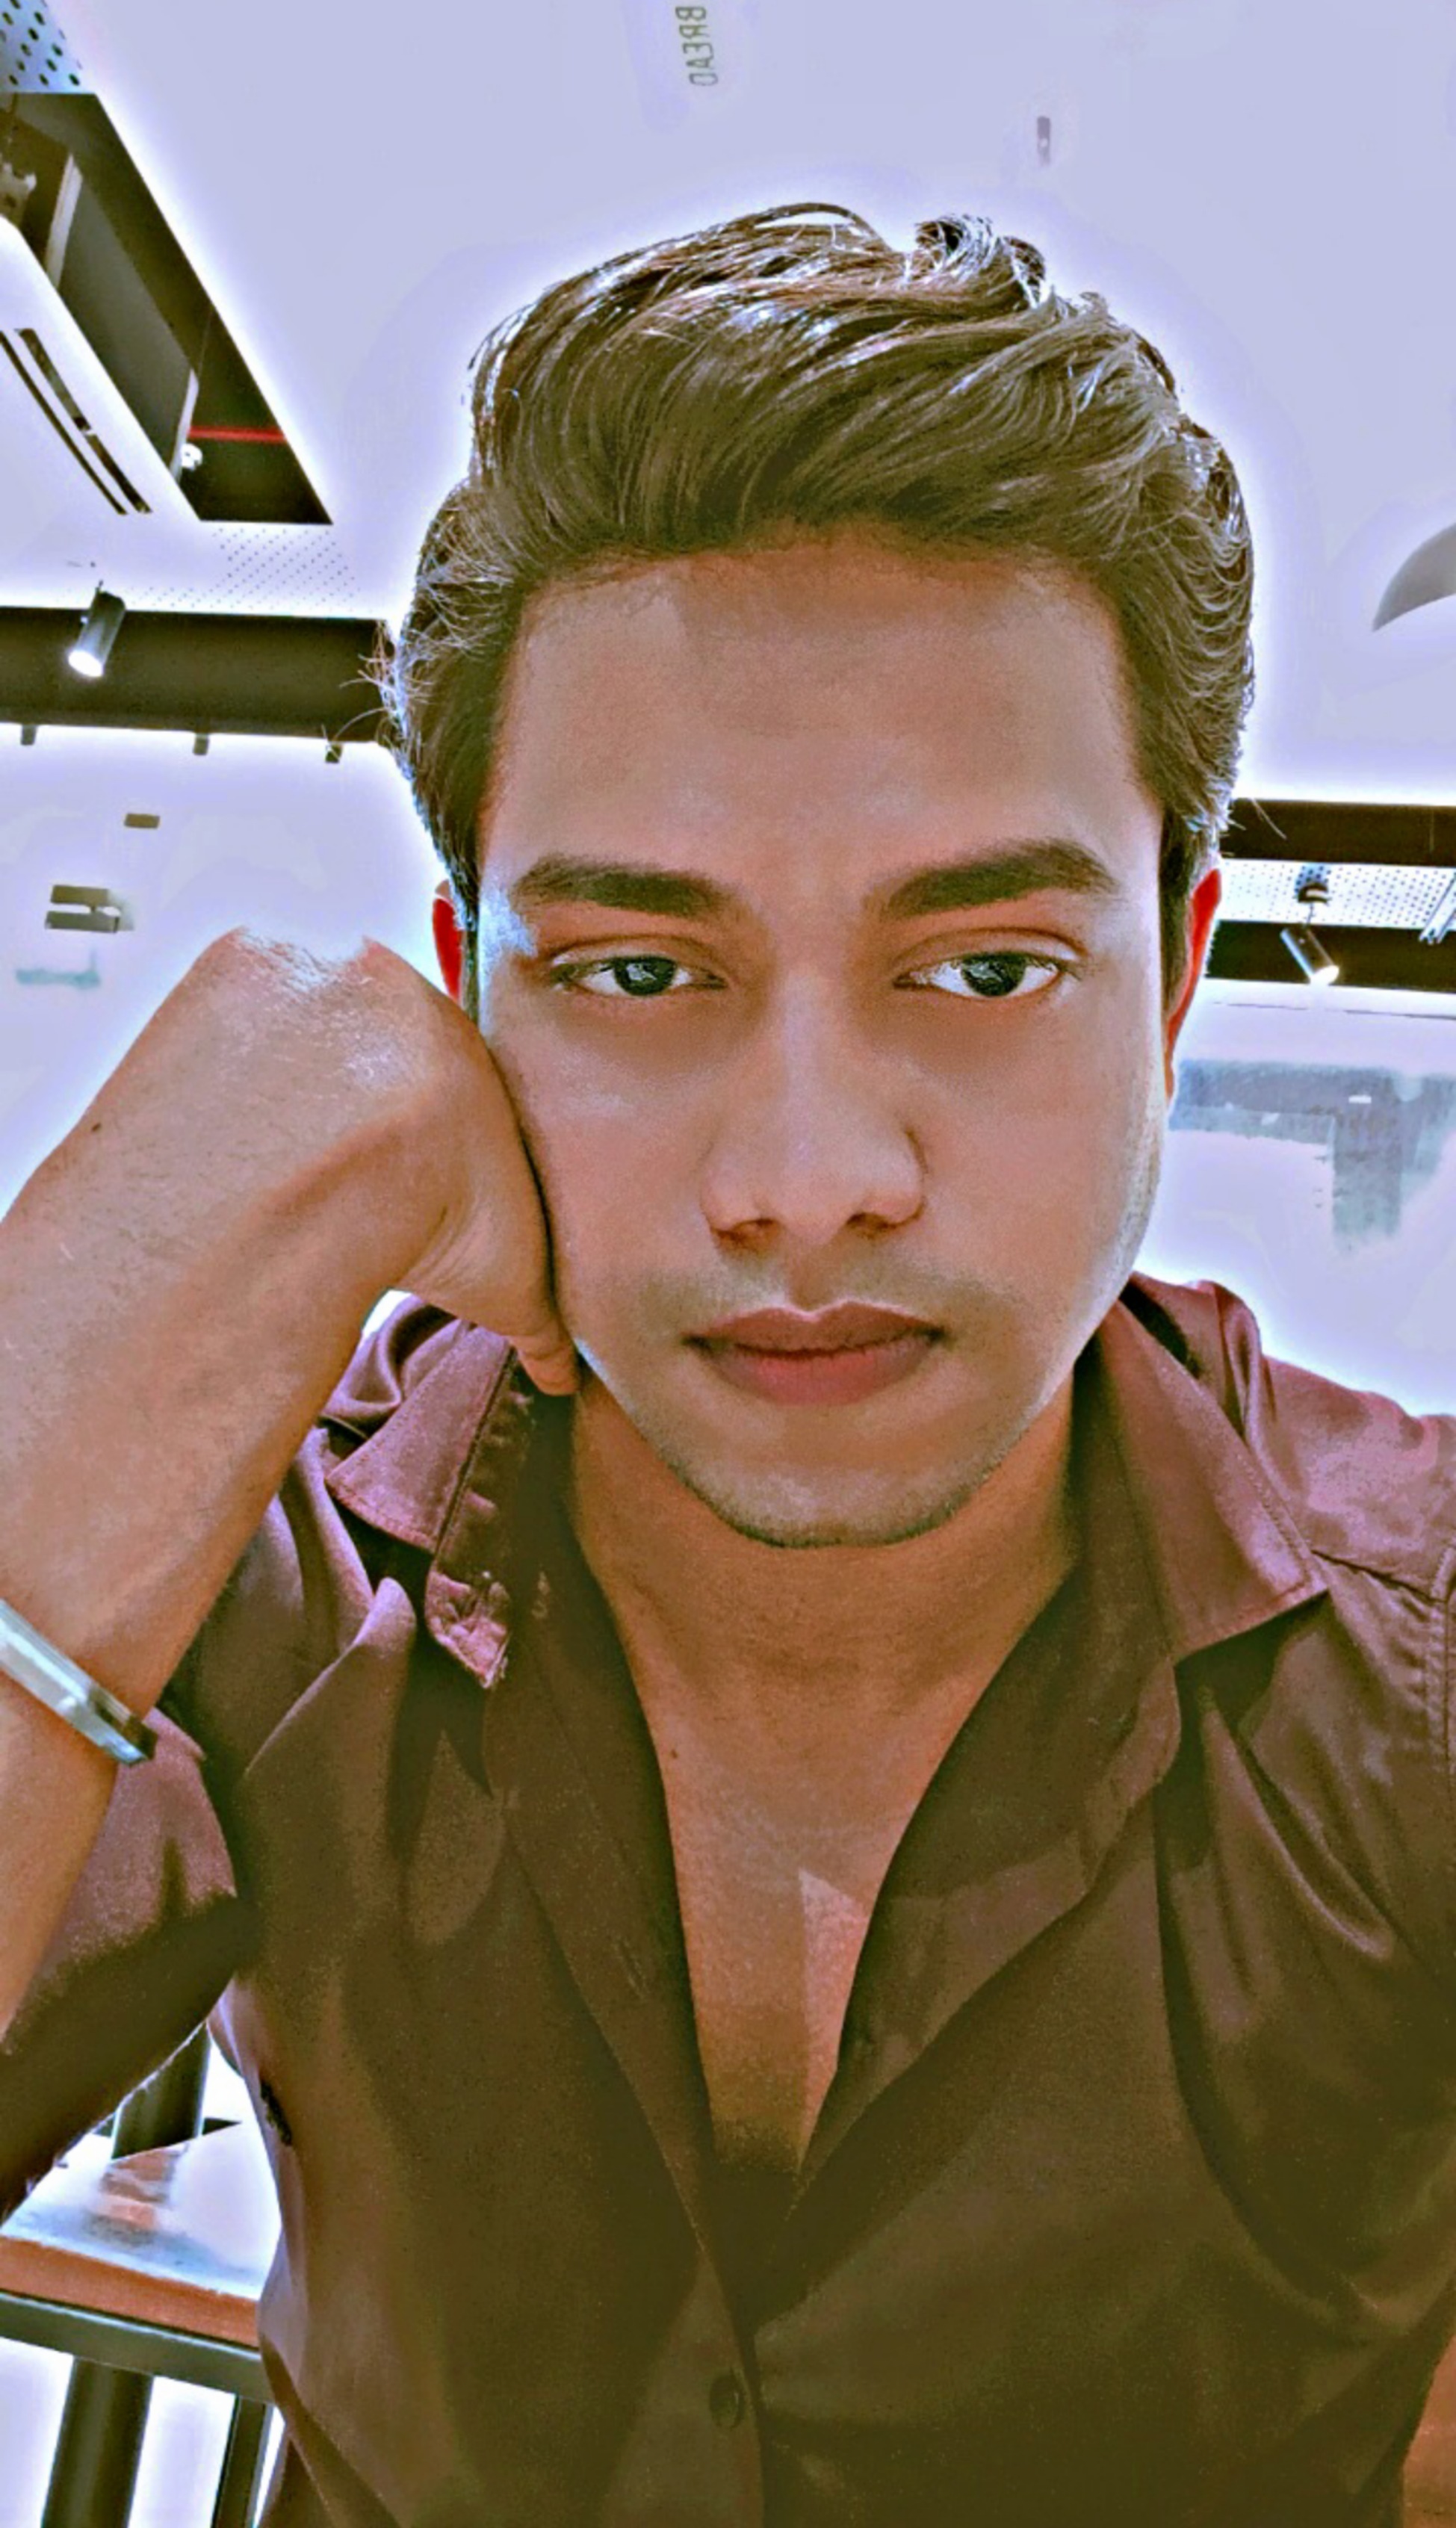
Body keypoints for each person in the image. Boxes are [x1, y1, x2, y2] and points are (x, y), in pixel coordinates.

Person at [1, 200, 1453, 2528]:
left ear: (1176, 979)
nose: (806, 1181)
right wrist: (112, 1296)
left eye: (985, 971)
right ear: (466, 981)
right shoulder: (271, 1564)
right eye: (639, 975)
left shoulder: (1418, 1660)